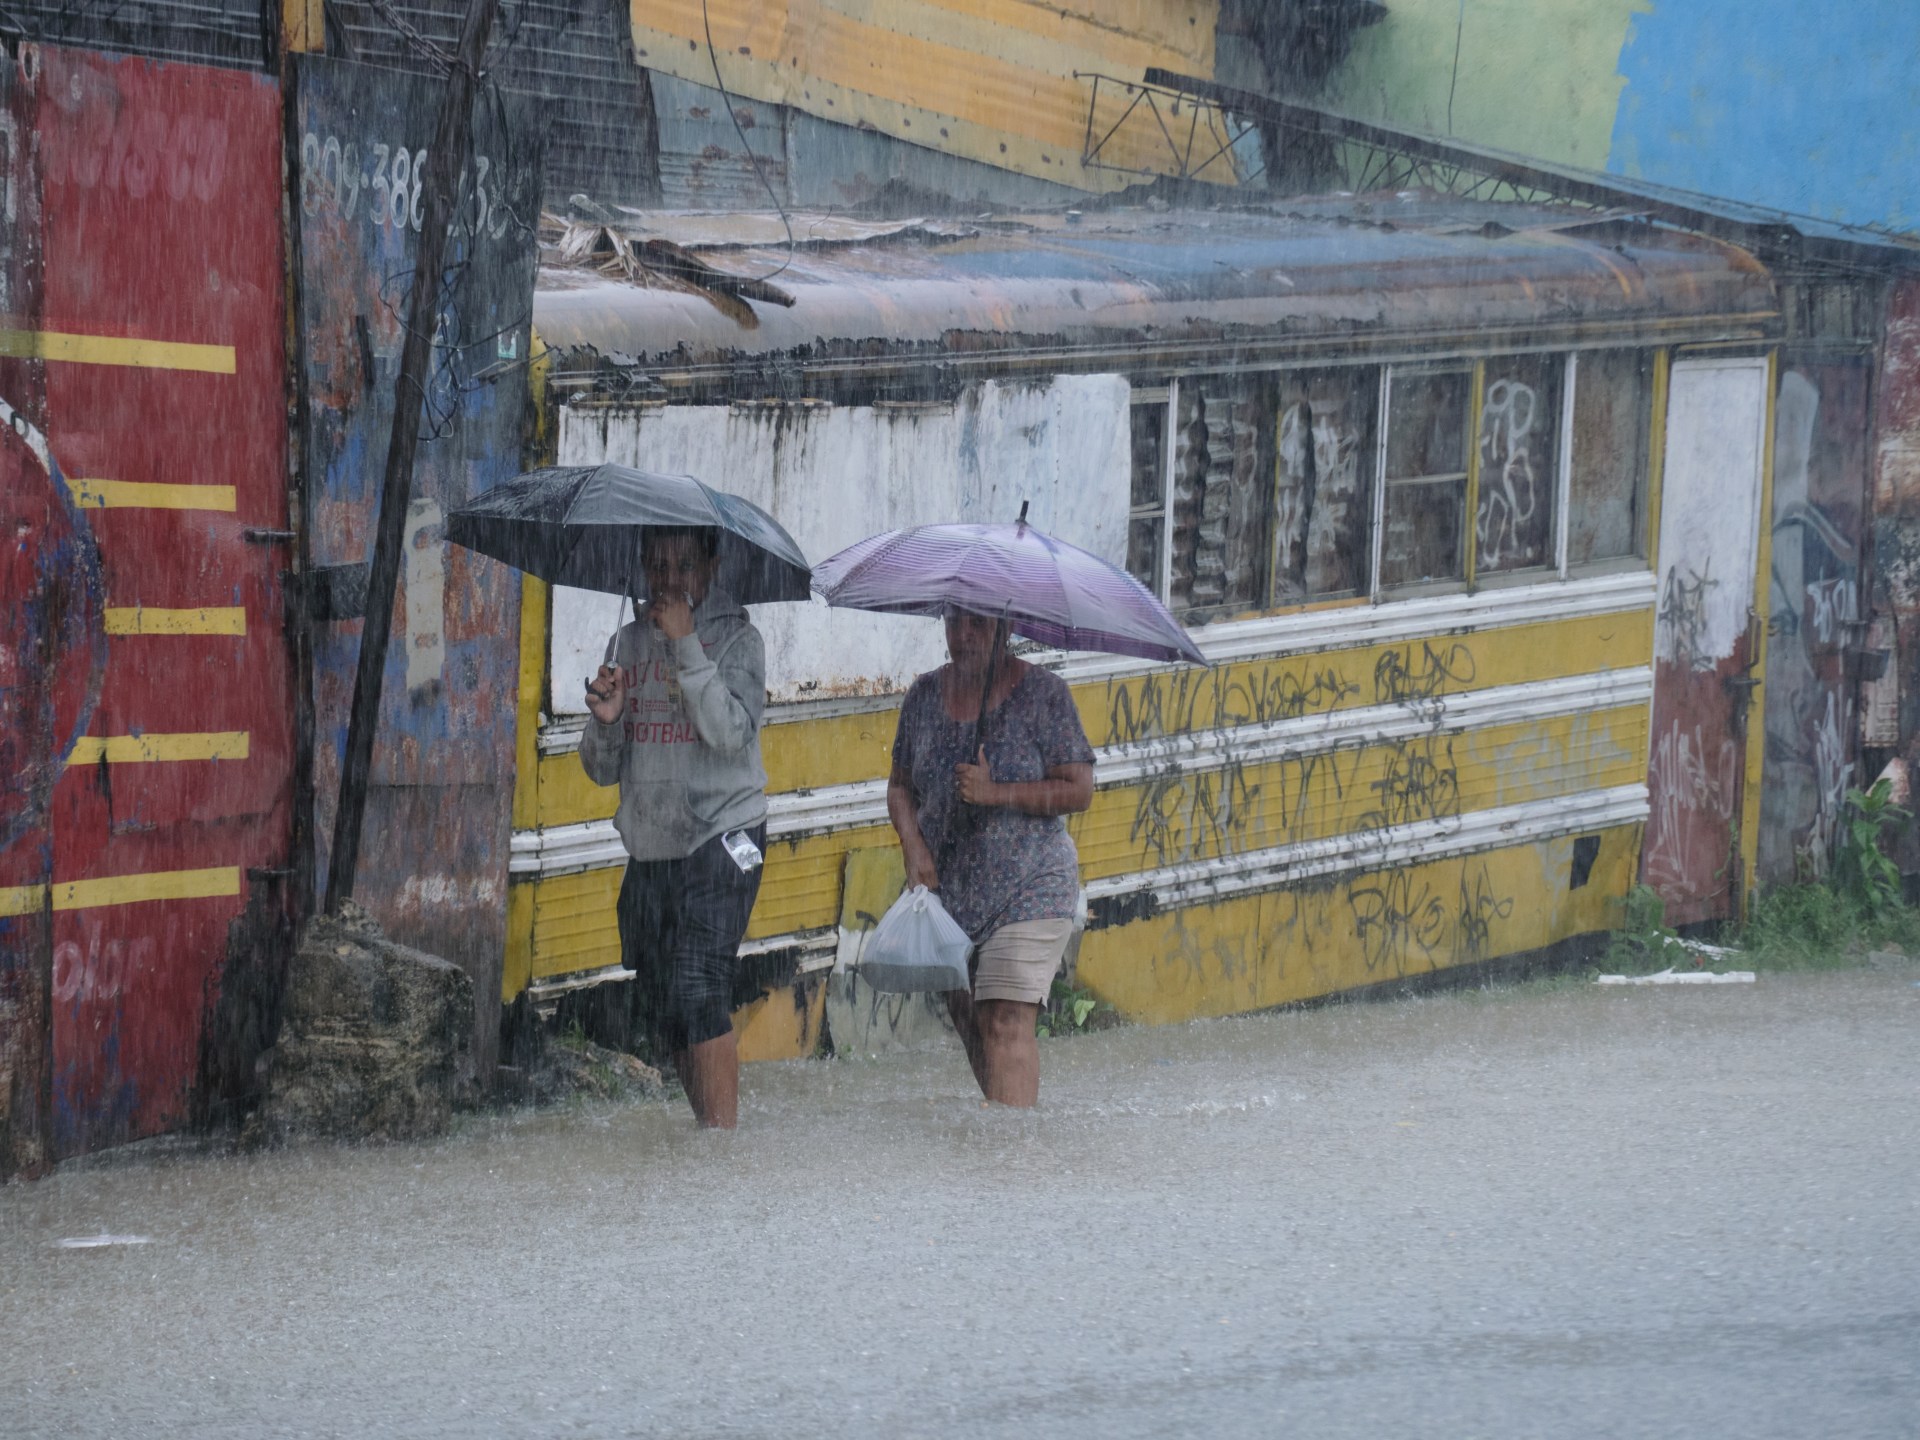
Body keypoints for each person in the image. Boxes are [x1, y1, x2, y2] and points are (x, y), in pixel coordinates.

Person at [581, 527, 768, 1129]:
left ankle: (722, 1146)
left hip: (726, 835)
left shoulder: (739, 638)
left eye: (685, 565)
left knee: (698, 985)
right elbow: (601, 769)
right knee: (664, 1004)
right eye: (658, 566)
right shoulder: (628, 643)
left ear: (711, 564)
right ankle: (707, 1134)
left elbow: (730, 734)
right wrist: (607, 721)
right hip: (655, 843)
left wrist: (688, 648)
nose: (670, 581)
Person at [887, 607, 1095, 1107]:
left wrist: (995, 791)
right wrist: (914, 849)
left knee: (1005, 1020)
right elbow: (899, 788)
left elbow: (1079, 790)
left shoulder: (1044, 696)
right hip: (948, 891)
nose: (963, 635)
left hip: (1030, 884)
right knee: (974, 1025)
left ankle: (1012, 1165)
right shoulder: (923, 697)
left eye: (978, 622)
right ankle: (1005, 1136)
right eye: (954, 621)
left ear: (1007, 626)